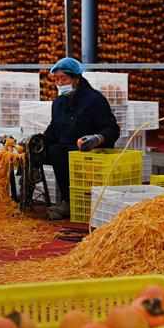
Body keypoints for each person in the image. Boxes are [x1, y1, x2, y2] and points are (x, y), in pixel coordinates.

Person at [43, 57, 120, 220]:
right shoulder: (59, 103)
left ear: (76, 78)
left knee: (62, 152)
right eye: (56, 79)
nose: (59, 83)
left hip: (90, 151)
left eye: (63, 78)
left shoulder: (94, 100)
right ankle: (66, 200)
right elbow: (54, 129)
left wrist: (96, 139)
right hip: (65, 150)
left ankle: (74, 202)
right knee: (52, 150)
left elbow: (112, 129)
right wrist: (36, 141)